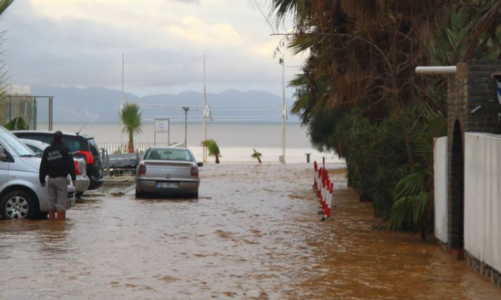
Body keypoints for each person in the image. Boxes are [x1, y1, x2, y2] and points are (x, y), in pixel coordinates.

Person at [39, 131, 76, 221]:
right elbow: (71, 164)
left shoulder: (47, 150)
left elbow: (43, 165)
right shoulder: (66, 150)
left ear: (53, 139)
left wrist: (42, 178)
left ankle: (52, 224)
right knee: (61, 204)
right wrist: (73, 178)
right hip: (62, 179)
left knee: (51, 203)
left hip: (50, 179)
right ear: (62, 139)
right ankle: (60, 227)